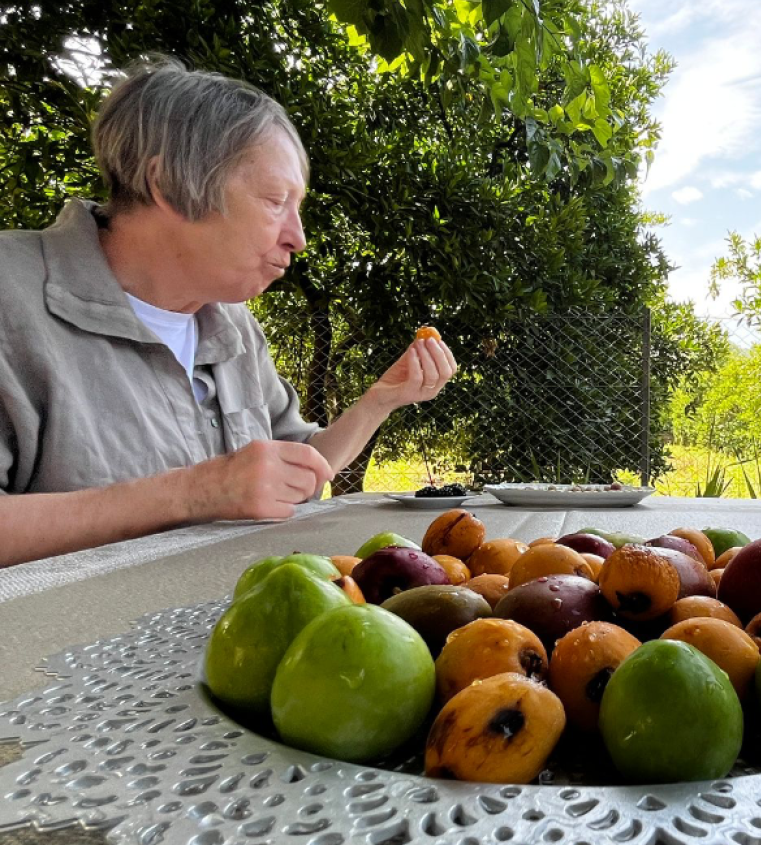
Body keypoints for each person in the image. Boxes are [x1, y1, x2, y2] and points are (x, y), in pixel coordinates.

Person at [0, 57, 458, 566]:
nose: (298, 238)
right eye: (275, 200)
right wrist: (192, 493)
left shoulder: (231, 326)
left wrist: (381, 400)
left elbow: (301, 469)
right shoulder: (11, 295)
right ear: (169, 185)